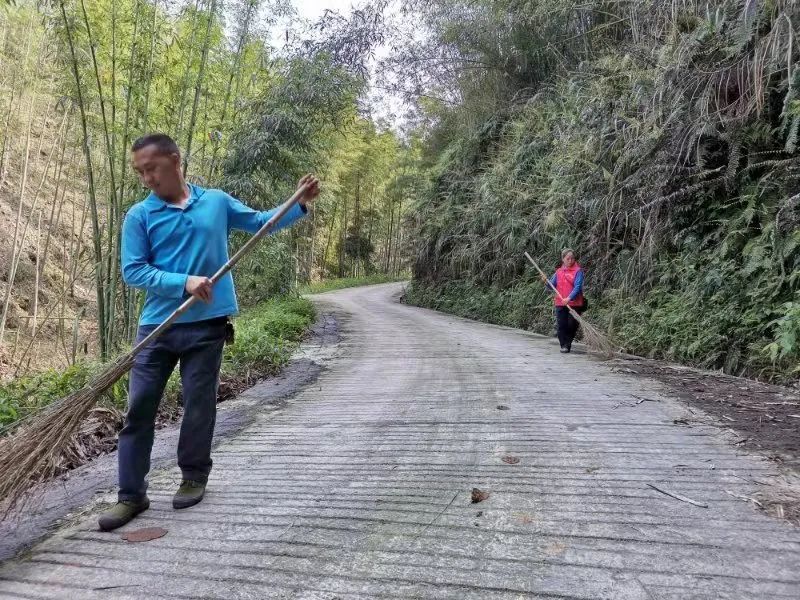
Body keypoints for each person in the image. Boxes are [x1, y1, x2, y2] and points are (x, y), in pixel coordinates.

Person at [98, 133, 320, 531]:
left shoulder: (215, 202)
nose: (146, 178)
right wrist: (184, 282)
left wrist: (299, 203)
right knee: (140, 407)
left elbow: (260, 223)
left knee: (199, 403)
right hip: (158, 327)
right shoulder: (140, 216)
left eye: (152, 168)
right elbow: (133, 270)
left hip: (207, 324)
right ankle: (131, 495)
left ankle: (193, 476)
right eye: (139, 172)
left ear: (174, 160)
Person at [544, 248, 585, 354]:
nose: (570, 260)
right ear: (563, 259)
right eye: (568, 258)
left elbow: (577, 286)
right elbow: (551, 286)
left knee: (572, 325)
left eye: (572, 258)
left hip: (574, 303)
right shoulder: (558, 272)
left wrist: (569, 298)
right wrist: (545, 281)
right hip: (560, 303)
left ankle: (568, 344)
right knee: (561, 325)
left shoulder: (578, 271)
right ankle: (564, 345)